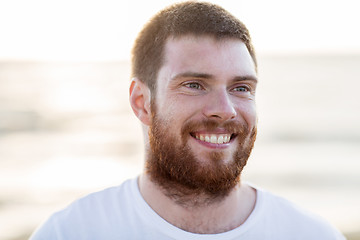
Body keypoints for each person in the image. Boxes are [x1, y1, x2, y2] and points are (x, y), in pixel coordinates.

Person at [30, 1, 346, 239]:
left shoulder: (310, 234)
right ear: (142, 102)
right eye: (194, 84)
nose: (225, 109)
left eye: (241, 88)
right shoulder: (70, 233)